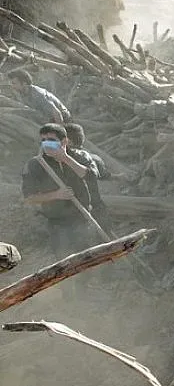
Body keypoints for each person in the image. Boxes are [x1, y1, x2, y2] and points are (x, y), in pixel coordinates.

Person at [22, 124, 100, 296]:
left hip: (82, 217)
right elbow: (28, 197)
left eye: (51, 140)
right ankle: (67, 297)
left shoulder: (79, 156)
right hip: (57, 222)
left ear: (64, 141)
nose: (46, 144)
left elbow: (91, 176)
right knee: (63, 260)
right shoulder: (36, 164)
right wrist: (56, 195)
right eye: (43, 140)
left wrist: (64, 158)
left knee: (85, 257)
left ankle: (84, 293)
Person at [63, 123, 109, 228]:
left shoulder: (73, 159)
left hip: (81, 213)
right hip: (98, 209)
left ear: (68, 142)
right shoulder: (95, 158)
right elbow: (104, 175)